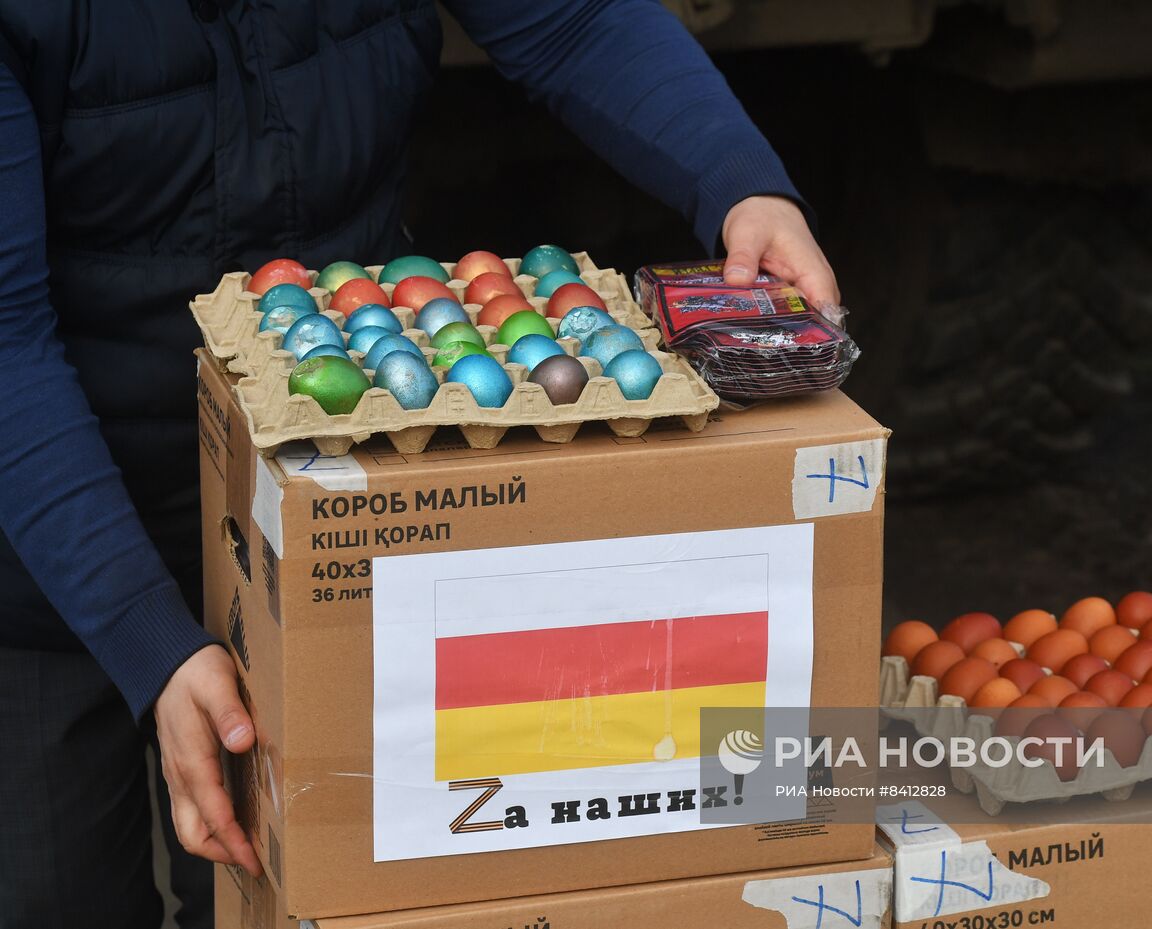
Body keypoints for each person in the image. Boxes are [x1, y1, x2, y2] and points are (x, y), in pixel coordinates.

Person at [0, 3, 839, 927]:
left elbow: (574, 19)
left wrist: (738, 183)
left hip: (318, 539)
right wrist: (149, 640)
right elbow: (6, 343)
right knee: (55, 891)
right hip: (50, 550)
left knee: (296, 896)